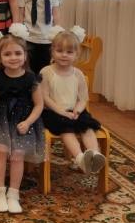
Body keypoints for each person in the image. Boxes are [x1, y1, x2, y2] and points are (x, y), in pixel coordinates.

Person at [0, 27, 45, 214]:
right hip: (0, 118)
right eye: (7, 54)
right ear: (0, 58)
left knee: (17, 155)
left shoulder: (31, 78)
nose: (13, 57)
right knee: (0, 152)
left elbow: (39, 104)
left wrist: (29, 122)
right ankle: (0, 191)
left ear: (25, 55)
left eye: (18, 53)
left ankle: (13, 193)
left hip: (23, 120)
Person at [40, 26, 105, 174]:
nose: (64, 55)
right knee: (66, 130)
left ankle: (94, 155)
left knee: (87, 127)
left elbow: (83, 98)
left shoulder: (78, 74)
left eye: (69, 52)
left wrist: (78, 110)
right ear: (52, 51)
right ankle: (80, 158)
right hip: (53, 112)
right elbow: (45, 97)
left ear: (77, 55)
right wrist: (62, 112)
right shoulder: (46, 72)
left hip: (74, 111)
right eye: (59, 51)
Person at [15, 0, 61, 75]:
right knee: (29, 69)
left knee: (45, 70)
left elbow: (56, 13)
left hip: (47, 38)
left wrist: (57, 31)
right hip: (29, 38)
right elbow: (20, 15)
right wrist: (18, 34)